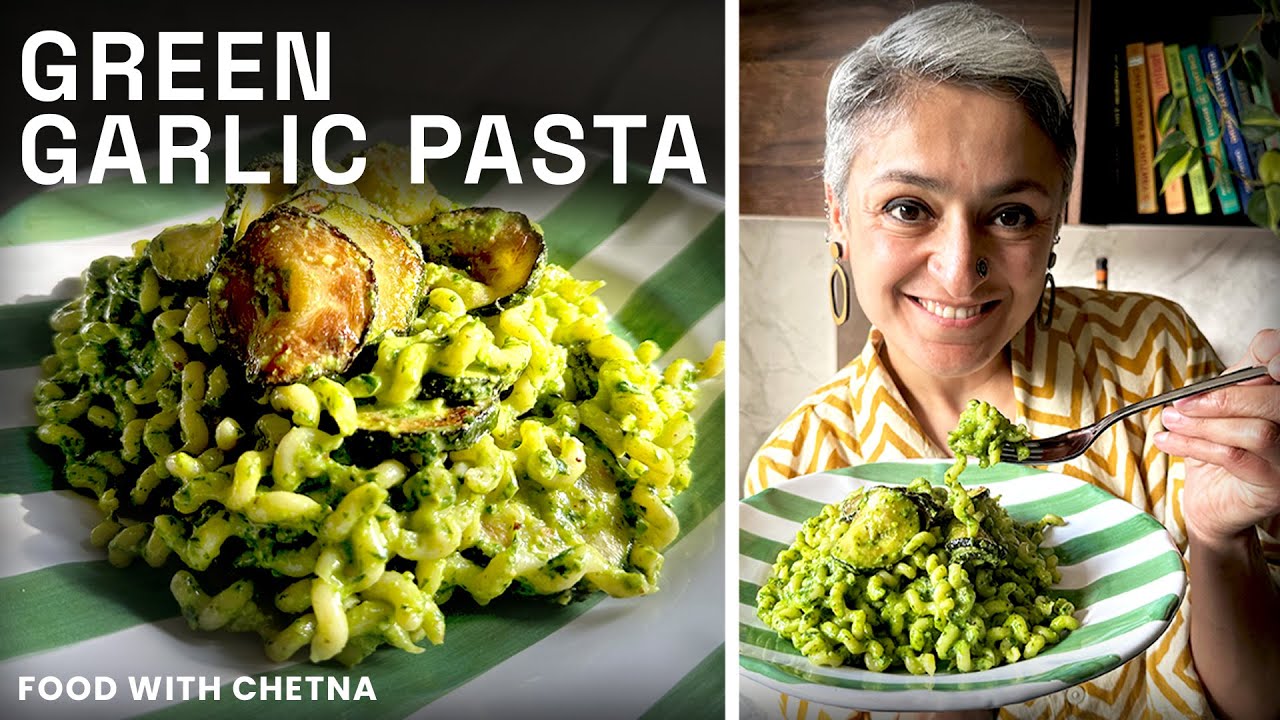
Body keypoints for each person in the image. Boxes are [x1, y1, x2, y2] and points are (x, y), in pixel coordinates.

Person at [742, 3, 1280, 719]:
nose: (961, 270)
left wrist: (1221, 541)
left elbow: (1262, 701)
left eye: (1011, 214)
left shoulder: (1152, 355)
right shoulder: (796, 468)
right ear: (839, 214)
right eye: (908, 208)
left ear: (1056, 221)